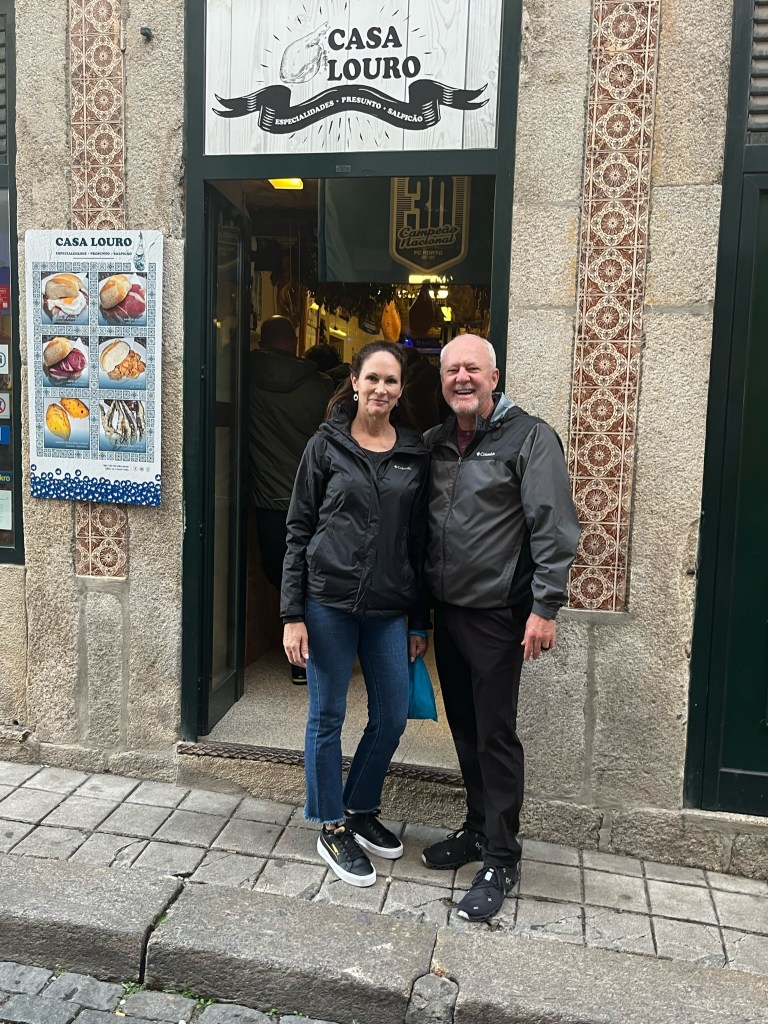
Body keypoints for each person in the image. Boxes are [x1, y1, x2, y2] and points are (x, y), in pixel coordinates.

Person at [421, 334, 580, 921]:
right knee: (464, 729)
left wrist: (545, 607)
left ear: (493, 376)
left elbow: (553, 525)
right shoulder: (436, 441)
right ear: (442, 381)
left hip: (497, 616)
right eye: (452, 370)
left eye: (473, 369)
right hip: (448, 612)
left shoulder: (529, 436)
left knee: (495, 735)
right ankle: (476, 829)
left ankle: (503, 856)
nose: (462, 378)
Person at [281, 341, 430, 888]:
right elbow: (299, 530)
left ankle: (360, 806)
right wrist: (292, 614)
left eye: (391, 381)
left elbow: (418, 542)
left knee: (392, 715)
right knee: (327, 715)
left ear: (400, 389)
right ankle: (330, 823)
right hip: (328, 603)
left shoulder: (413, 452)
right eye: (373, 378)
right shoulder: (325, 446)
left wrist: (419, 621)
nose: (381, 389)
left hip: (389, 608)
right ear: (355, 380)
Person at [247, 316, 333, 684]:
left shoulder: (242, 377)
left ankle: (298, 653)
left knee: (280, 573)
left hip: (268, 496)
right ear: (296, 342)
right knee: (310, 574)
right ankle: (307, 660)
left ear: (261, 340)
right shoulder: (319, 387)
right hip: (311, 496)